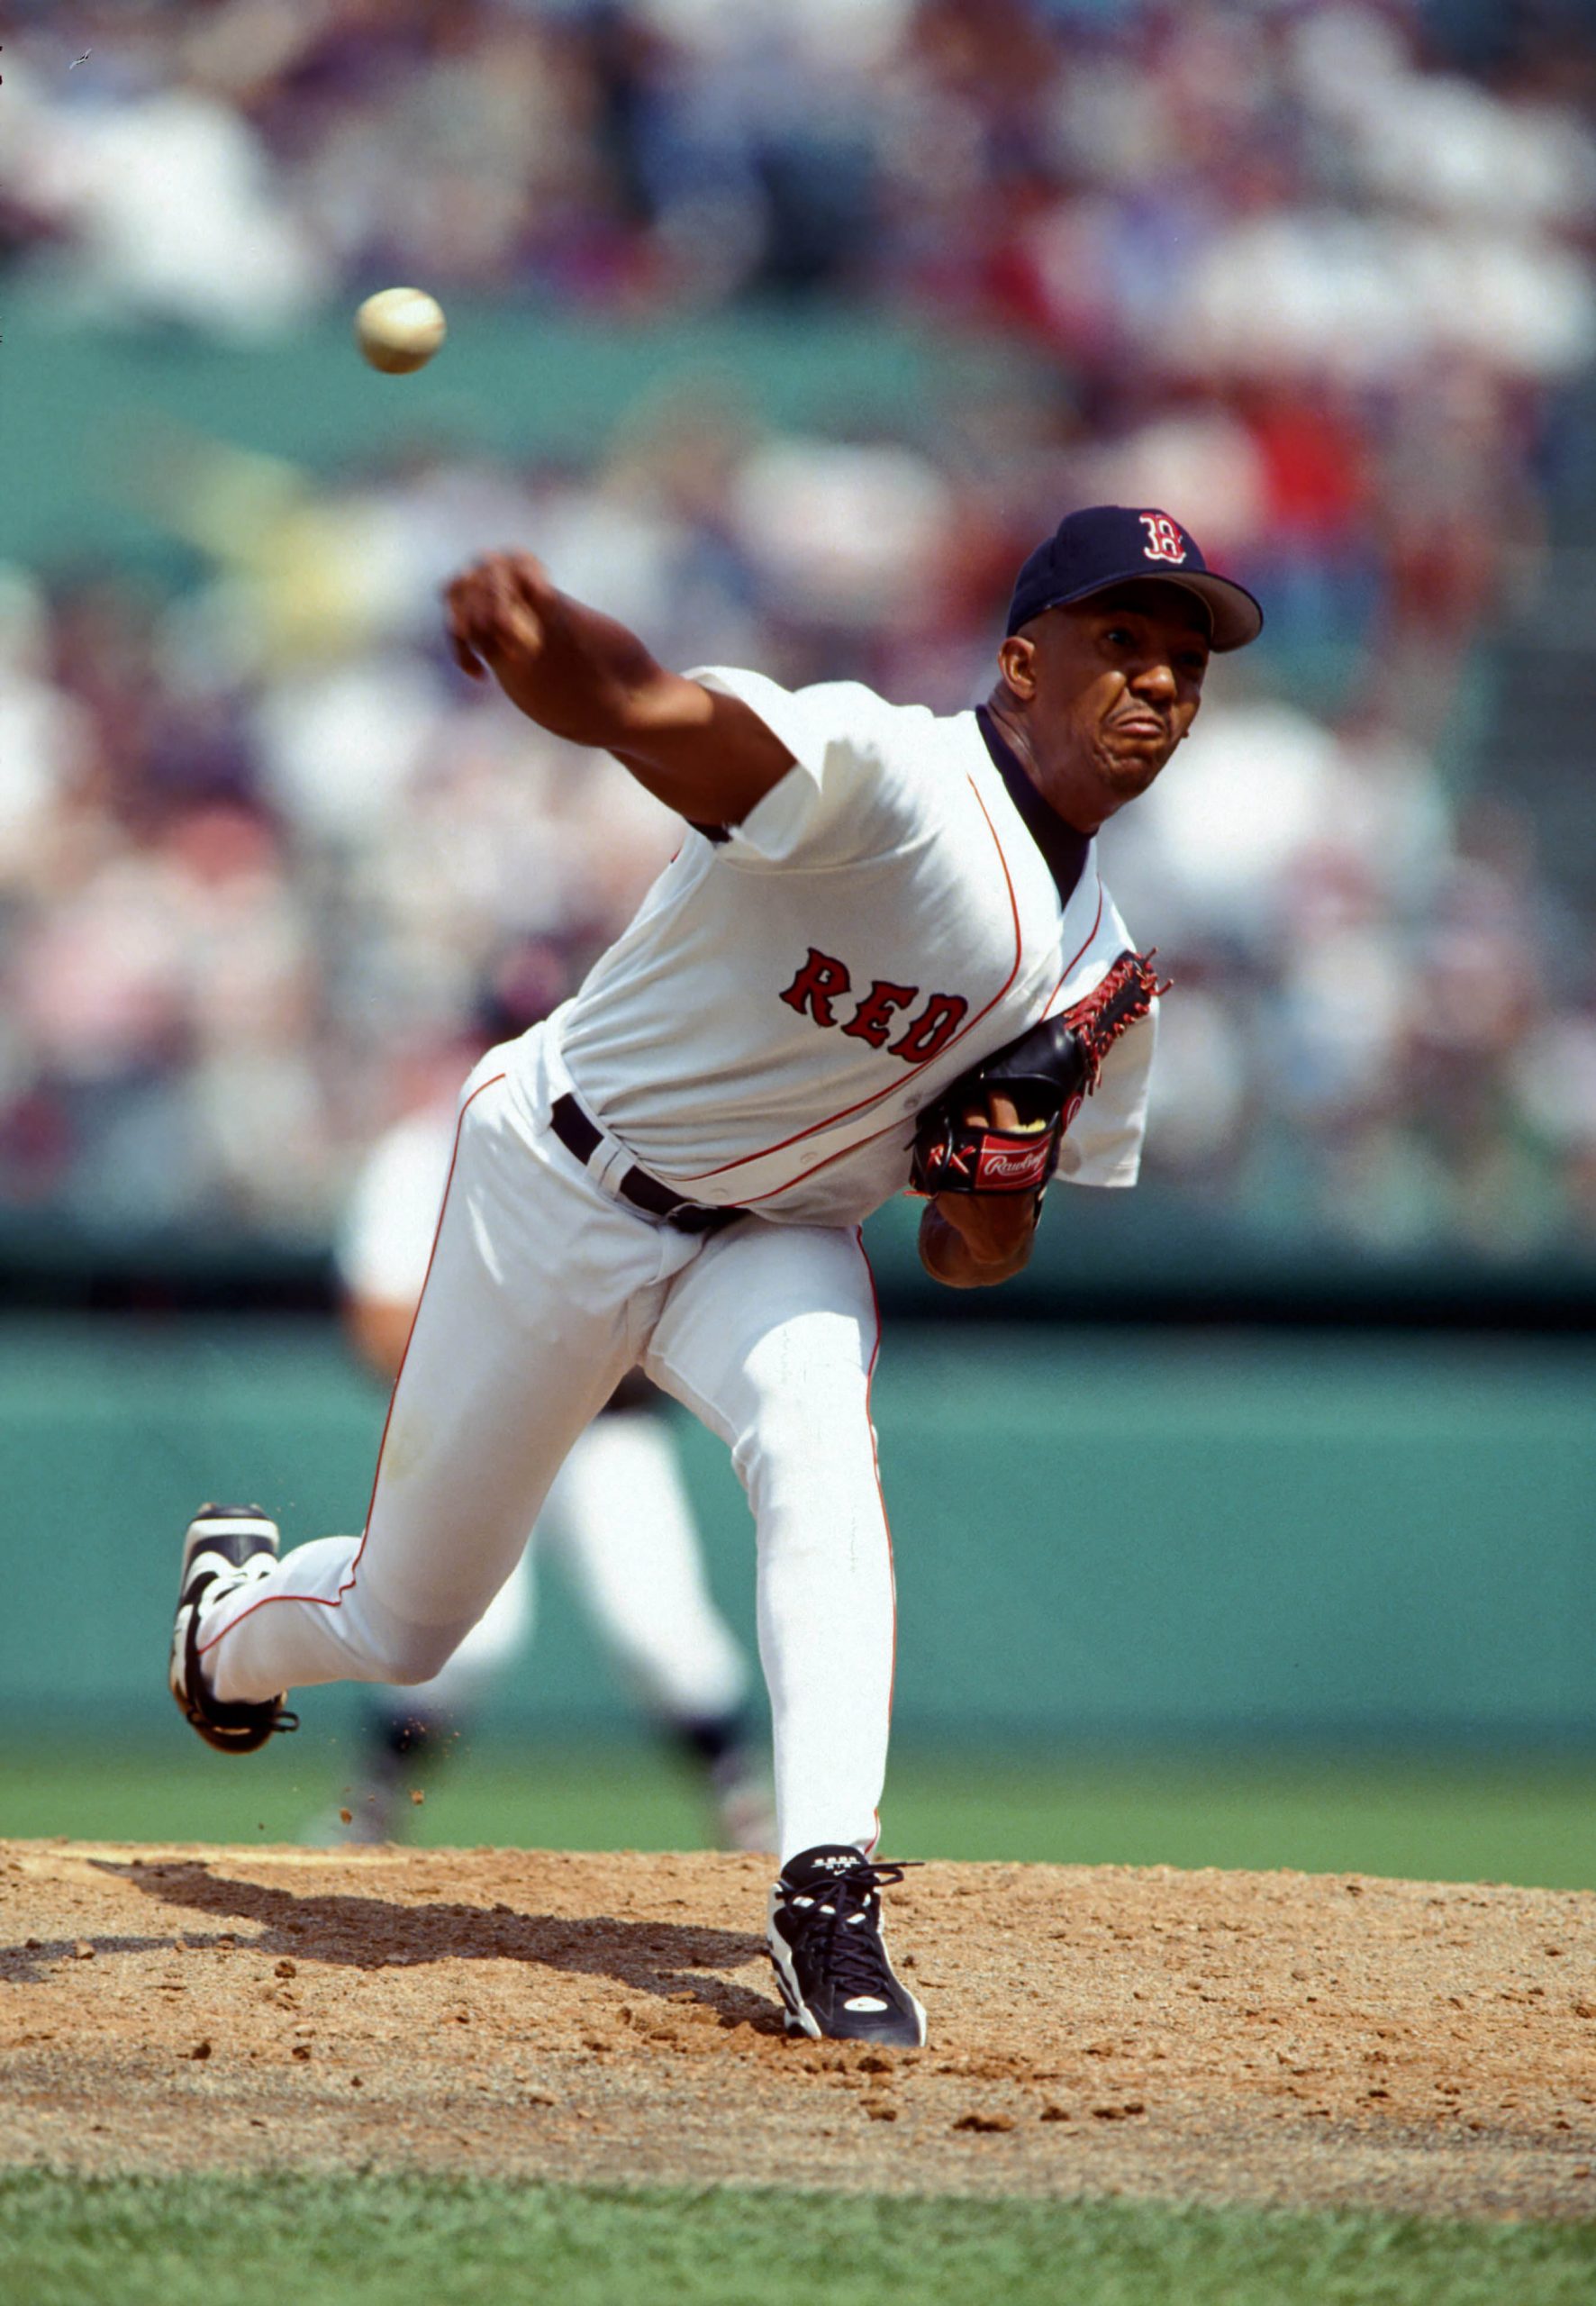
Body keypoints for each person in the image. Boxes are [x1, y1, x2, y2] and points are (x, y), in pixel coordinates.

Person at [169, 504, 1261, 2047]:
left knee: (819, 1445)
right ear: (1022, 663)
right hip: (562, 1175)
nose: (1157, 681)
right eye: (1120, 641)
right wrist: (554, 649)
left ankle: (827, 1889)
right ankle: (225, 1625)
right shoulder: (890, 780)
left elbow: (968, 1259)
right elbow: (655, 715)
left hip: (772, 1239)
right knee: (402, 1627)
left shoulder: (1105, 982)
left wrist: (997, 1177)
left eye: (1185, 662)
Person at [319, 1030, 775, 1853]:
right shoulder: (427, 1153)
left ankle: (748, 1815)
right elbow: (378, 1321)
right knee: (461, 1636)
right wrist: (515, 1362)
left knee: (661, 1630)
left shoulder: (634, 1142)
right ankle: (368, 1811)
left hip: (608, 1430)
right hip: (477, 1423)